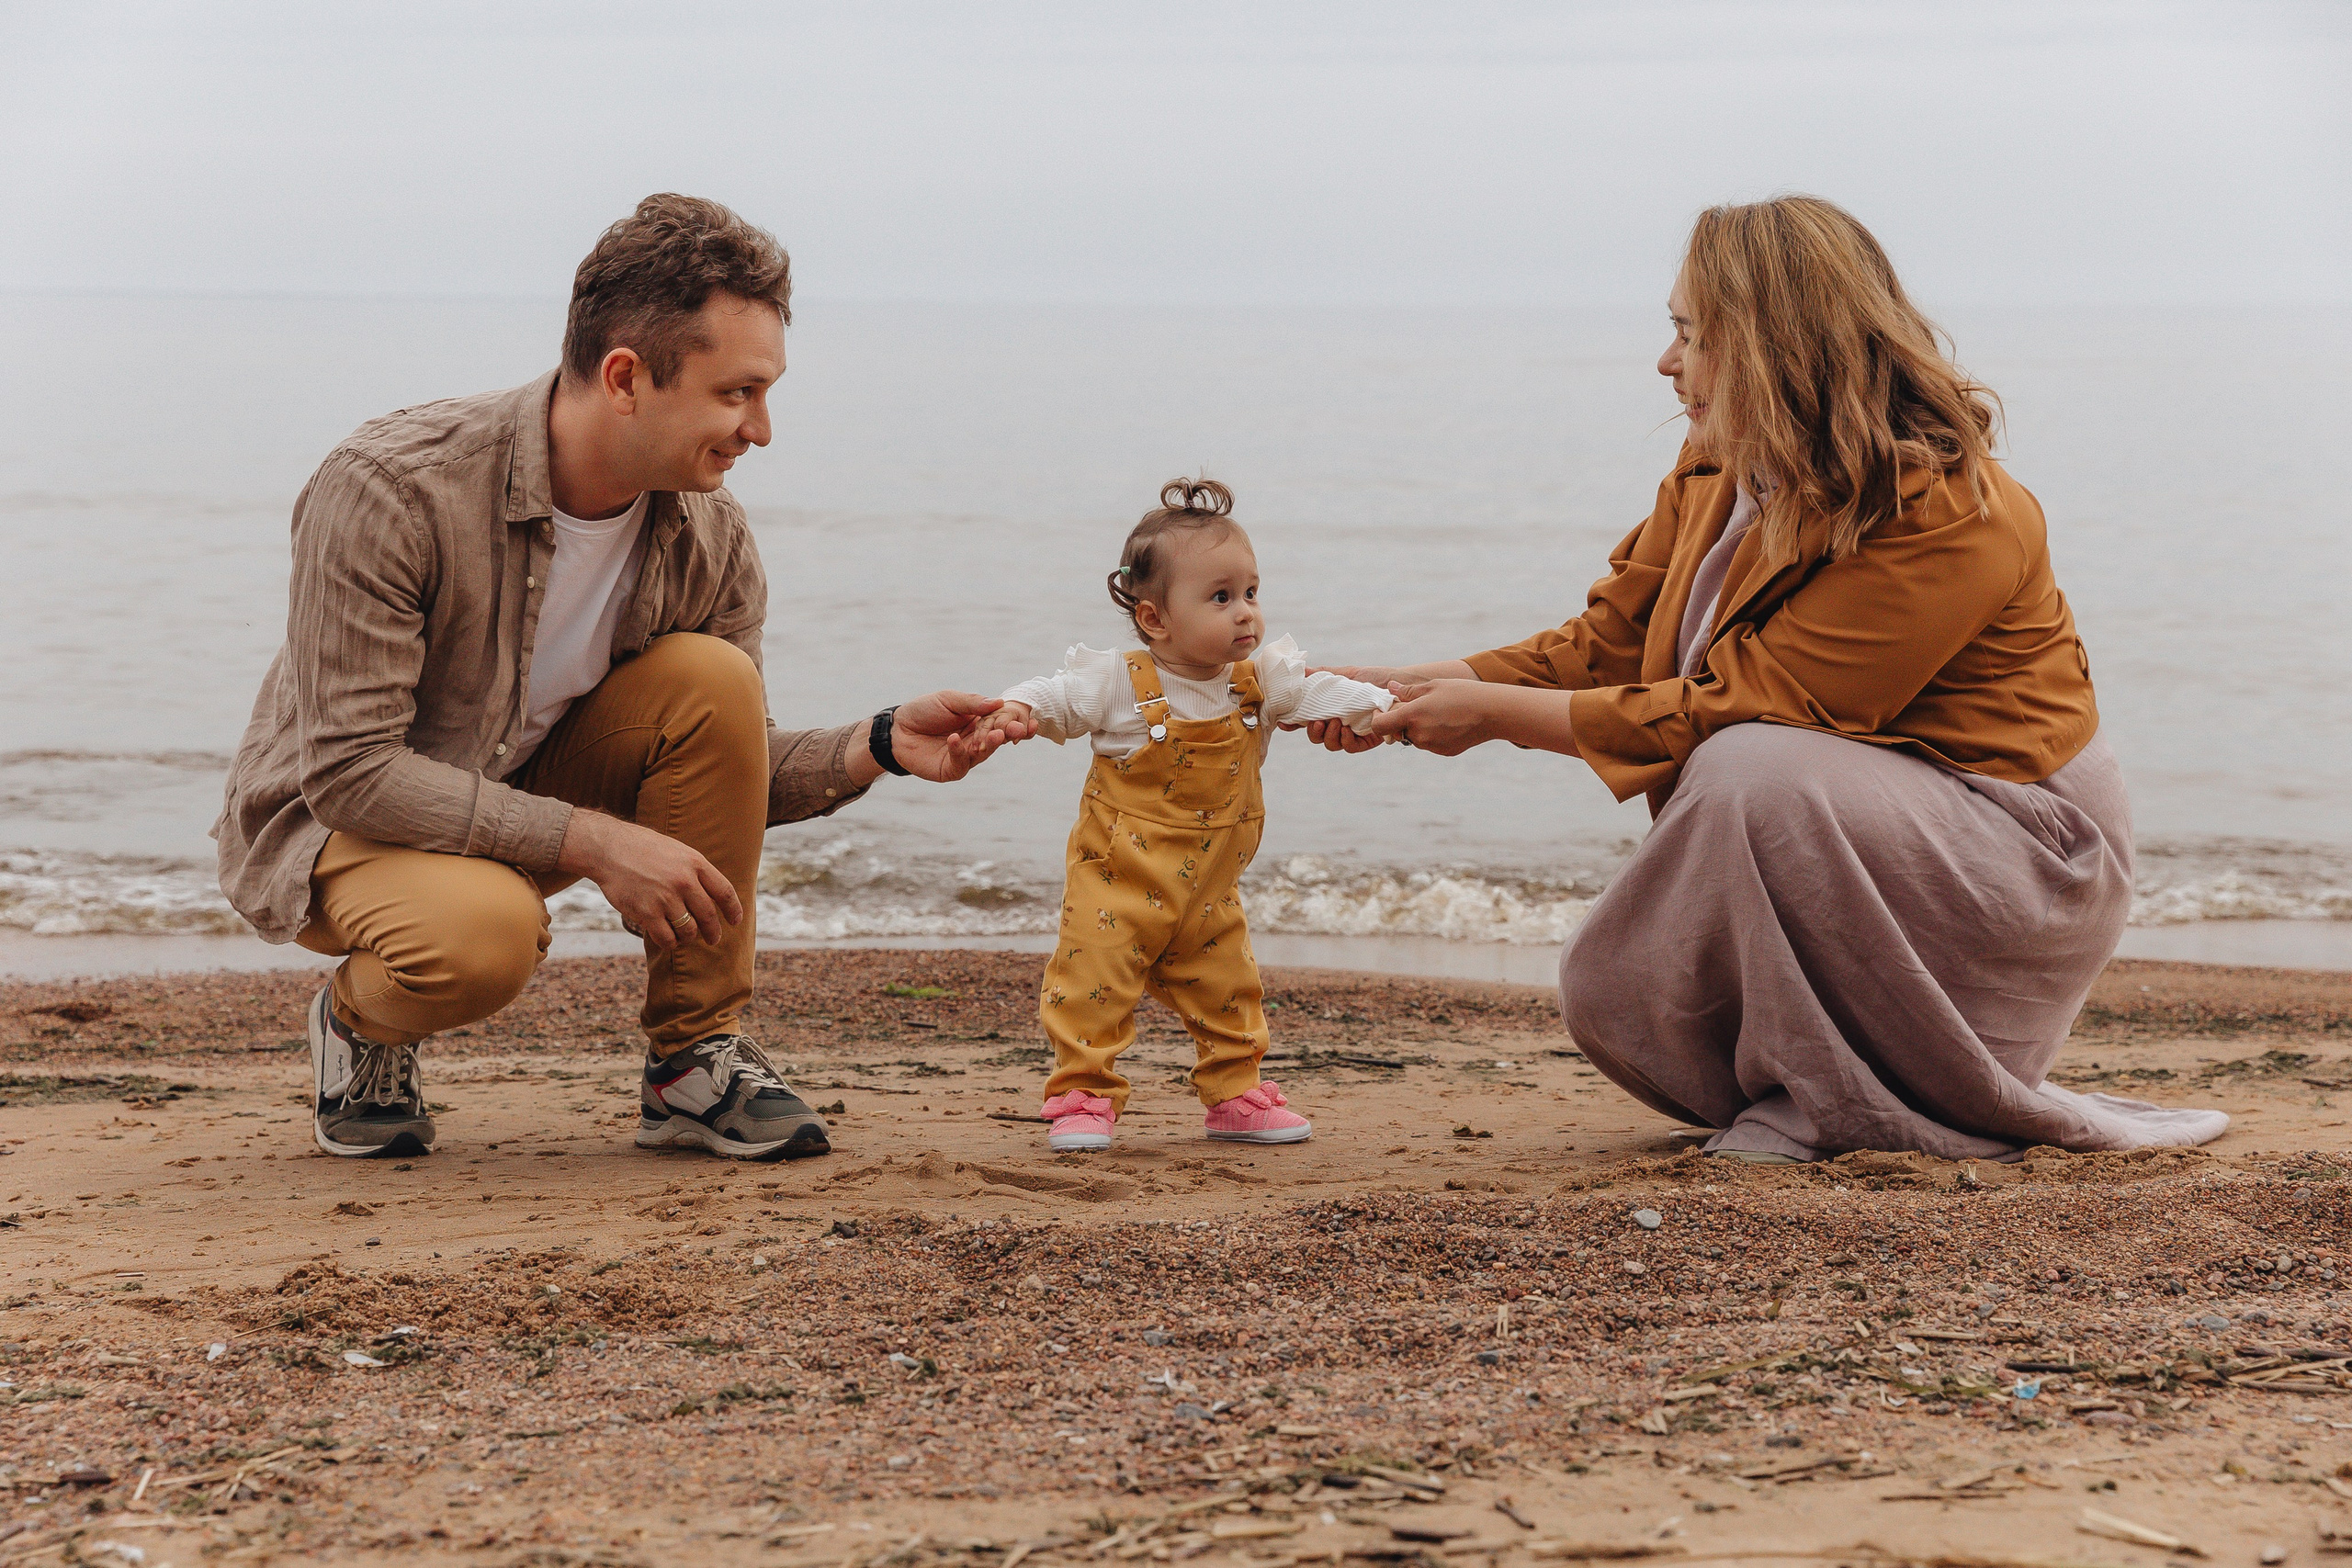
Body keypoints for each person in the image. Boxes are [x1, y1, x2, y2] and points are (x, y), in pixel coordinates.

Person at [1310, 195, 2226, 1164]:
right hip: (1863, 811)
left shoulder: (1953, 511)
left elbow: (1747, 706)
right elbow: (1609, 641)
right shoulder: (1720, 463)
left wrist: (1491, 716)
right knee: (1622, 960)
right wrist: (1414, 686)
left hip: (2025, 844)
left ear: (1773, 344)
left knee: (1749, 768)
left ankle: (1846, 1105)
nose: (1666, 362)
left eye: (1691, 335)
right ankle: (1815, 1086)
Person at [213, 194, 1035, 1164]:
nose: (761, 429)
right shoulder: (392, 487)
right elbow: (351, 770)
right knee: (483, 938)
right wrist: (596, 842)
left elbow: (724, 771)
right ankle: (360, 1025)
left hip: (519, 799)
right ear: (625, 377)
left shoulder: (708, 531)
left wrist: (879, 743)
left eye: (765, 393)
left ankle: (693, 1063)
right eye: (737, 393)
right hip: (339, 825)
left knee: (711, 679)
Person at [982, 479, 1393, 1153]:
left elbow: (1327, 692)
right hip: (1117, 880)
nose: (1246, 614)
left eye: (1252, 592)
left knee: (1231, 989)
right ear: (1155, 619)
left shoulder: (1262, 684)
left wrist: (1384, 709)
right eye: (1221, 598)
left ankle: (1235, 1095)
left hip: (1208, 890)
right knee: (1091, 983)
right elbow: (1054, 696)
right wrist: (1016, 710)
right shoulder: (1116, 683)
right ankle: (1083, 1093)